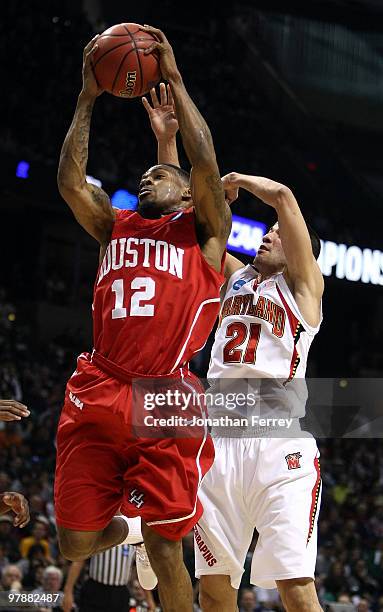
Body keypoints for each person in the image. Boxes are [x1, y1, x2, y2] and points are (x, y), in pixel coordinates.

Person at [55, 24, 230, 612]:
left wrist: (175, 78)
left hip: (164, 395)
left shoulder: (203, 235)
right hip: (99, 384)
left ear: (188, 197)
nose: (147, 175)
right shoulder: (115, 226)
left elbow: (203, 163)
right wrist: (87, 97)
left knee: (165, 547)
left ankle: (149, 530)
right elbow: (70, 182)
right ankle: (122, 520)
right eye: (148, 173)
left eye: (162, 174)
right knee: (74, 540)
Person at [194, 172, 324, 612]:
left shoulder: (304, 289)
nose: (269, 236)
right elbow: (191, 224)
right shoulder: (236, 276)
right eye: (267, 231)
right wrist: (168, 143)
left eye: (278, 233)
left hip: (277, 447)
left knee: (297, 591)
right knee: (213, 590)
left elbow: (284, 196)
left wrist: (235, 180)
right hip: (218, 445)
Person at [62, 545, 155, 612]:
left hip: (120, 593)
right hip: (95, 590)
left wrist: (149, 598)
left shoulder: (133, 533)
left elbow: (141, 568)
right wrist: (68, 591)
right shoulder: (99, 529)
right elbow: (79, 561)